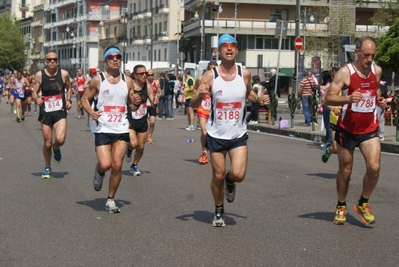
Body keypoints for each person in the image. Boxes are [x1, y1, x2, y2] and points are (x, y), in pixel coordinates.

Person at [191, 34, 270, 227]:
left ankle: (230, 181)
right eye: (224, 46)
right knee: (216, 175)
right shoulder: (210, 76)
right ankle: (218, 210)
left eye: (232, 45)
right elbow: (192, 102)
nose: (228, 49)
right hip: (216, 134)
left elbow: (248, 92)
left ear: (236, 50)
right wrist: (199, 96)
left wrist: (258, 99)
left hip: (237, 134)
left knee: (239, 174)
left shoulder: (245, 73)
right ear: (218, 51)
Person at [324, 36, 387, 225]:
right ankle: (341, 205)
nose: (369, 59)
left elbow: (374, 92)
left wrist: (380, 101)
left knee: (374, 167)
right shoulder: (345, 73)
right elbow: (328, 99)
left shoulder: (377, 71)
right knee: (345, 171)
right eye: (366, 55)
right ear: (357, 52)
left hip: (369, 128)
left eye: (372, 55)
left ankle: (363, 202)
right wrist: (347, 99)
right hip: (348, 128)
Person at [81, 46, 141, 213]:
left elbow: (131, 106)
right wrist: (91, 112)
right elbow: (85, 99)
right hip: (102, 127)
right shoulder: (97, 80)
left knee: (116, 165)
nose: (115, 59)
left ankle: (110, 199)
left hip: (121, 126)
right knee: (106, 164)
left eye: (118, 57)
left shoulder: (128, 81)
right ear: (106, 61)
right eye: (111, 57)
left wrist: (135, 102)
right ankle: (99, 171)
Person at [31, 50, 73, 178]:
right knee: (47, 142)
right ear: (45, 61)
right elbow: (34, 90)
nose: (52, 62)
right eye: (50, 60)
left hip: (60, 110)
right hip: (46, 111)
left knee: (60, 139)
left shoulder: (64, 74)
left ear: (58, 61)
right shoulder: (39, 75)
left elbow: (69, 88)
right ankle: (47, 166)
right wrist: (36, 98)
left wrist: (68, 99)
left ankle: (57, 147)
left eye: (55, 59)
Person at [125, 64, 156, 176]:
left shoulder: (148, 87)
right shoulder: (130, 86)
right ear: (135, 75)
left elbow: (152, 100)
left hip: (142, 121)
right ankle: (128, 149)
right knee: (133, 144)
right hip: (130, 120)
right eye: (141, 73)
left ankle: (134, 165)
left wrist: (154, 102)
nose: (145, 75)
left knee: (141, 146)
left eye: (146, 73)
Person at [194, 60, 217, 164]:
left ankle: (211, 151)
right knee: (204, 132)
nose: (211, 72)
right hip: (202, 108)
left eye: (213, 69)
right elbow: (194, 89)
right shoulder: (201, 79)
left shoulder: (219, 81)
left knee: (212, 133)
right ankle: (204, 152)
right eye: (209, 69)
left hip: (214, 110)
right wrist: (199, 96)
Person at [146, 69, 162, 144]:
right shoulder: (144, 82)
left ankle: (149, 135)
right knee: (143, 122)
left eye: (151, 75)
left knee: (152, 121)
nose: (150, 77)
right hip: (144, 104)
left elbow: (160, 92)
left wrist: (158, 97)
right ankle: (142, 135)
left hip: (153, 104)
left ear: (154, 75)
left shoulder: (156, 83)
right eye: (148, 75)